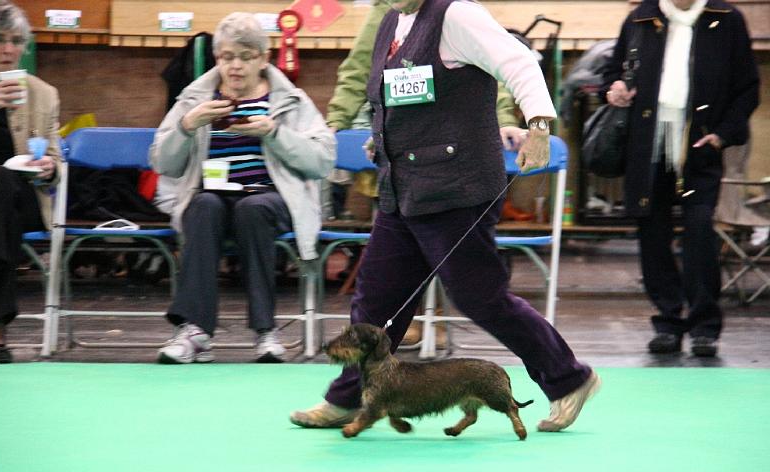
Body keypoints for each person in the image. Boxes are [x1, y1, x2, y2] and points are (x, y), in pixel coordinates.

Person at [290, 0, 599, 431]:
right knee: (376, 299)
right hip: (402, 188)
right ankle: (348, 400)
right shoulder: (392, 22)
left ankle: (569, 380)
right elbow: (395, 96)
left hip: (457, 188)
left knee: (481, 298)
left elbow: (520, 62)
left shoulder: (457, 16)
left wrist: (540, 126)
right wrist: (382, 140)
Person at [325, 0, 531, 347]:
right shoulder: (384, 15)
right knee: (382, 285)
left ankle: (565, 373)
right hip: (400, 171)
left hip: (450, 174)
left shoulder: (457, 13)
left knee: (472, 289)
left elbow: (488, 77)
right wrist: (338, 124)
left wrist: (508, 119)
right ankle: (352, 393)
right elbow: (359, 74)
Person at [150, 12, 335, 364]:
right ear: (217, 58)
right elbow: (163, 162)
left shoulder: (289, 100)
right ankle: (195, 331)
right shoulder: (194, 99)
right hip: (212, 197)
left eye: (246, 58)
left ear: (263, 59)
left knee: (254, 209)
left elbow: (322, 160)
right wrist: (187, 127)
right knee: (203, 207)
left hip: (270, 198)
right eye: (227, 57)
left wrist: (274, 133)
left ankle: (266, 331)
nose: (235, 67)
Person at [604, 0, 759, 356]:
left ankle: (705, 326)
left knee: (700, 232)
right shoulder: (640, 18)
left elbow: (747, 87)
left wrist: (722, 134)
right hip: (647, 144)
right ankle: (668, 320)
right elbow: (611, 73)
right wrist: (614, 89)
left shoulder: (727, 19)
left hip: (700, 145)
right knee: (652, 233)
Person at [0, 0, 61, 363]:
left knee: (1, 182)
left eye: (16, 40)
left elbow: (55, 157)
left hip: (22, 197)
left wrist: (49, 168)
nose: (8, 50)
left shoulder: (42, 93)